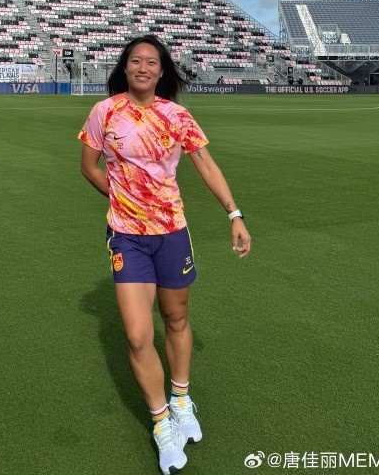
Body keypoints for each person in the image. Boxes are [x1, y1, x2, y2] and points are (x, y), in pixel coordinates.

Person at [79, 35, 251, 474]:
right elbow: (89, 166)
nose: (143, 67)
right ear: (125, 68)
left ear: (162, 71)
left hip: (172, 233)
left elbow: (206, 165)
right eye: (135, 60)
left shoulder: (177, 116)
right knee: (138, 335)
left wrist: (234, 214)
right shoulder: (106, 112)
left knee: (175, 319)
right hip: (127, 236)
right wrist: (120, 199)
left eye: (151, 62)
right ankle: (161, 424)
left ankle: (180, 397)